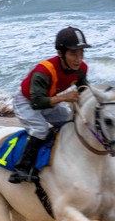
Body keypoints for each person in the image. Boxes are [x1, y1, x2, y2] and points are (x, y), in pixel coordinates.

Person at [9, 26, 92, 183]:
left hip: (48, 100)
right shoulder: (44, 71)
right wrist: (64, 98)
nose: (78, 59)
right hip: (26, 102)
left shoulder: (81, 68)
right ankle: (21, 169)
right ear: (60, 53)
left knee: (70, 121)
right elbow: (36, 102)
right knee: (40, 129)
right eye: (73, 53)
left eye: (81, 53)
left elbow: (84, 90)